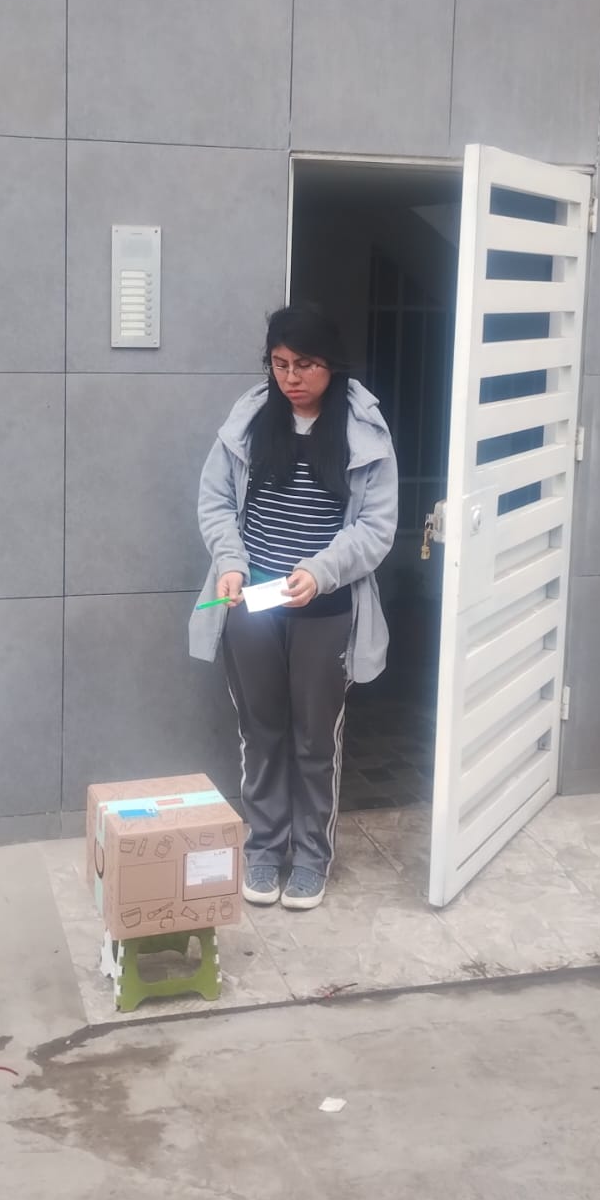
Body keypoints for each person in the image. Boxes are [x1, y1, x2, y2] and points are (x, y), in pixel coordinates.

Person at [189, 305, 398, 911]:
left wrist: (320, 571)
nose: (290, 378)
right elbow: (216, 502)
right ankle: (263, 848)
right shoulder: (250, 420)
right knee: (261, 733)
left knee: (314, 740)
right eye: (279, 364)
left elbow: (377, 528)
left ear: (331, 364)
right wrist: (230, 562)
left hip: (323, 612)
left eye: (304, 364)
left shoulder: (363, 430)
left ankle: (310, 856)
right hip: (251, 604)